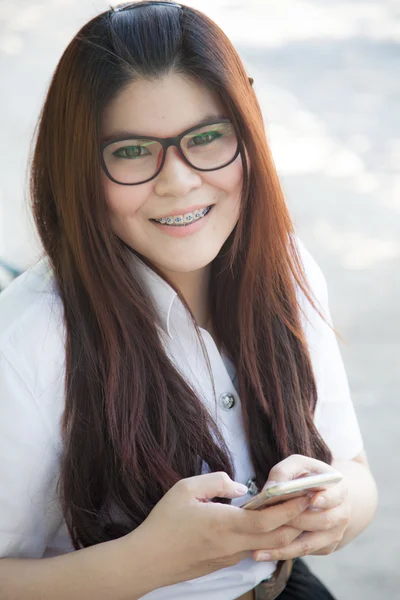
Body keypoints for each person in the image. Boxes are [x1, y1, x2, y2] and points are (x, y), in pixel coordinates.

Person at [0, 2, 378, 599]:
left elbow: (357, 480)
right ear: (77, 166)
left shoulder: (286, 267)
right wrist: (145, 562)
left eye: (206, 138)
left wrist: (330, 514)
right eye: (130, 151)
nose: (178, 180)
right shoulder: (29, 346)